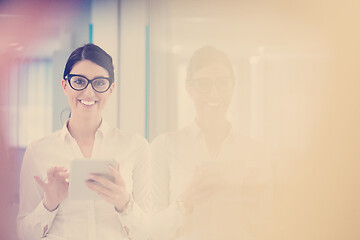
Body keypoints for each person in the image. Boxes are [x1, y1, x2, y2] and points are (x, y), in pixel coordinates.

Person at [16, 43, 150, 240]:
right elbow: (24, 234)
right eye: (79, 82)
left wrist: (124, 203)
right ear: (65, 85)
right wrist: (49, 203)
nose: (88, 92)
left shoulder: (136, 146)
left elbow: (150, 233)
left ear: (111, 89)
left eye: (99, 83)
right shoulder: (38, 151)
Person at [151, 45, 273, 240]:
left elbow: (270, 228)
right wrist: (186, 201)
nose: (214, 94)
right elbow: (151, 230)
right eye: (203, 84)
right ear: (189, 89)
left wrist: (254, 205)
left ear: (233, 86)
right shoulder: (164, 147)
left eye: (223, 83)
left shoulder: (256, 152)